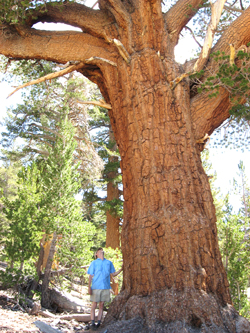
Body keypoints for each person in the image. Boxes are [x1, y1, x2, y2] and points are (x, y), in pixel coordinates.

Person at [87, 247, 123, 330]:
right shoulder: (94, 263)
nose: (101, 252)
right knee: (94, 304)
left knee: (101, 305)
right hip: (96, 286)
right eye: (99, 251)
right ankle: (92, 322)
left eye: (102, 251)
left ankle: (99, 322)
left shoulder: (109, 263)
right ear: (96, 254)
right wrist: (89, 287)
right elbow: (90, 275)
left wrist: (122, 269)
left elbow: (113, 274)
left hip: (105, 287)